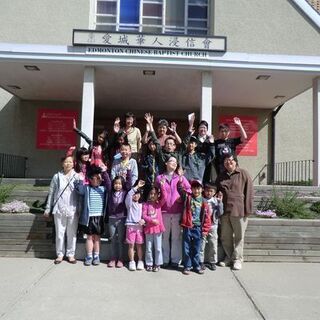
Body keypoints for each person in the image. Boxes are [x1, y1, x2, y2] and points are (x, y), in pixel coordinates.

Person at [216, 153, 253, 271]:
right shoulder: (221, 176)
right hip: (224, 211)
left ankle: (237, 259)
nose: (228, 162)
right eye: (226, 161)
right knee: (225, 236)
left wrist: (248, 209)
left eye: (230, 160)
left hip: (239, 210)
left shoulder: (243, 173)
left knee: (239, 236)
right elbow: (216, 192)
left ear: (235, 161)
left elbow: (249, 192)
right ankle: (228, 257)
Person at [155, 156, 191, 269]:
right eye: (172, 161)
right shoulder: (159, 177)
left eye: (176, 162)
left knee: (176, 237)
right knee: (165, 237)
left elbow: (189, 190)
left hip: (177, 211)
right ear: (166, 163)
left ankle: (175, 260)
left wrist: (182, 196)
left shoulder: (180, 178)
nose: (174, 163)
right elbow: (154, 193)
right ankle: (165, 260)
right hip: (164, 211)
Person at [44, 156, 79, 264]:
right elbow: (51, 193)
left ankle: (71, 254)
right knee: (59, 233)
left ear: (73, 163)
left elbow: (81, 194)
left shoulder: (77, 176)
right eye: (66, 162)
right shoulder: (57, 176)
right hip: (59, 208)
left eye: (70, 162)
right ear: (62, 164)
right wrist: (48, 208)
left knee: (72, 233)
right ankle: (60, 254)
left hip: (73, 208)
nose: (68, 164)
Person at [75, 165, 110, 266]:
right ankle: (89, 256)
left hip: (99, 217)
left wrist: (104, 173)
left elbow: (109, 185)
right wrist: (80, 179)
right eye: (93, 178)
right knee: (89, 237)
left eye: (99, 178)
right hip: (89, 217)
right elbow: (78, 189)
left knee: (97, 238)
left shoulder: (103, 189)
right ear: (89, 179)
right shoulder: (86, 189)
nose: (96, 180)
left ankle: (96, 256)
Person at [178, 179, 212, 275]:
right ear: (191, 189)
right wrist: (181, 179)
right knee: (186, 247)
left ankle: (196, 265)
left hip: (198, 228)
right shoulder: (188, 197)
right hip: (187, 226)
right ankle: (187, 266)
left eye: (198, 188)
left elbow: (207, 218)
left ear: (201, 189)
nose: (196, 191)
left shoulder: (204, 202)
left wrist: (205, 230)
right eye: (194, 188)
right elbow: (180, 189)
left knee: (197, 248)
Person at [106, 170, 132, 268]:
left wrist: (129, 172)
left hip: (122, 218)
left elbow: (129, 184)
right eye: (116, 184)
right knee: (112, 239)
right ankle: (113, 258)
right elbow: (108, 182)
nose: (117, 185)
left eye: (120, 184)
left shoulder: (125, 192)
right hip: (112, 218)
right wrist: (105, 171)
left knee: (121, 239)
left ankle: (120, 259)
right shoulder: (110, 192)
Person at [199, 182, 224, 271]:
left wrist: (220, 203)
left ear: (214, 192)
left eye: (211, 191)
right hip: (203, 225)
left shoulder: (216, 201)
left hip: (213, 225)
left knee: (213, 243)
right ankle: (200, 261)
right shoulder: (201, 200)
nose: (209, 193)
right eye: (207, 191)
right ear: (204, 191)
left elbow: (220, 213)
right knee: (201, 244)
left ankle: (213, 262)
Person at [142, 185, 166, 272]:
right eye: (151, 193)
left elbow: (165, 197)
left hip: (158, 229)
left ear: (158, 195)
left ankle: (157, 263)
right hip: (149, 229)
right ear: (148, 194)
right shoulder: (145, 205)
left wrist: (162, 186)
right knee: (148, 248)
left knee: (158, 248)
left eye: (155, 194)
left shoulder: (159, 204)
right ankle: (149, 263)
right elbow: (144, 216)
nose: (153, 195)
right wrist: (152, 221)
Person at [125, 180, 146, 271]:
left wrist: (143, 220)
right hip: (130, 226)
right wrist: (137, 186)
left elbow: (145, 216)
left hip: (139, 228)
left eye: (138, 194)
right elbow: (129, 194)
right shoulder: (129, 204)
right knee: (131, 245)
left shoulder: (142, 205)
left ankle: (140, 261)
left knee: (139, 245)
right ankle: (132, 261)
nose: (136, 195)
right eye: (135, 194)